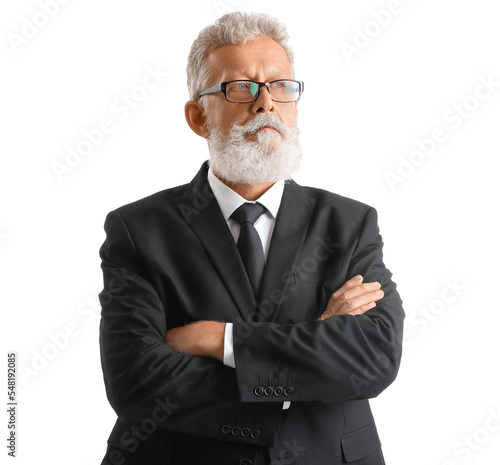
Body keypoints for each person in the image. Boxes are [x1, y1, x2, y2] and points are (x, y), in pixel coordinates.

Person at [98, 12, 404, 465]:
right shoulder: (139, 229)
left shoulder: (350, 223)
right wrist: (314, 344)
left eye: (281, 85)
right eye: (240, 87)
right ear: (199, 116)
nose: (266, 104)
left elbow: (373, 359)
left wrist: (217, 340)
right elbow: (136, 378)